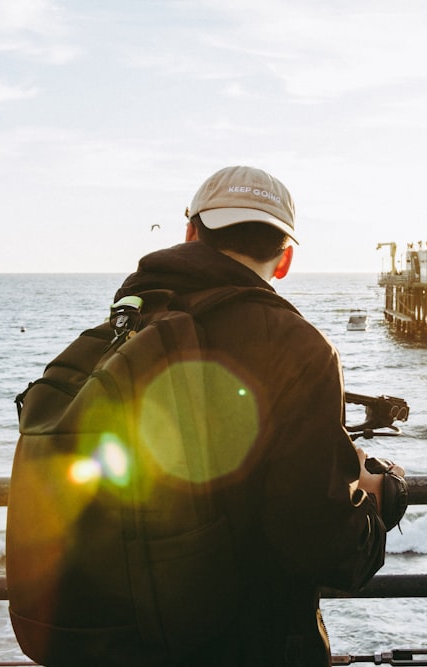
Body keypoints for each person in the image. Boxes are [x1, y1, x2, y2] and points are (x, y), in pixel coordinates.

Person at [112, 165, 401, 666]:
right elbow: (321, 545)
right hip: (248, 641)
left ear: (189, 234)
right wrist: (381, 498)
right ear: (284, 259)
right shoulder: (299, 348)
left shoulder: (127, 324)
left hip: (120, 631)